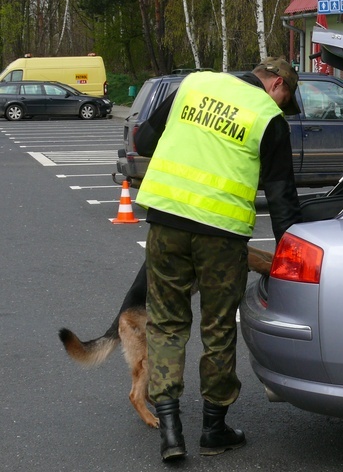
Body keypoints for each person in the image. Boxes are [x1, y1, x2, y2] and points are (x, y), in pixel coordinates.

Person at [135, 59, 302, 461]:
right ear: (277, 83)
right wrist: (293, 255)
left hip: (166, 221)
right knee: (218, 329)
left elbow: (144, 143)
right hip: (222, 235)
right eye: (285, 99)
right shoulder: (267, 117)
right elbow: (281, 198)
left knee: (167, 324)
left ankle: (171, 433)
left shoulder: (194, 85)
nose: (282, 107)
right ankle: (213, 429)